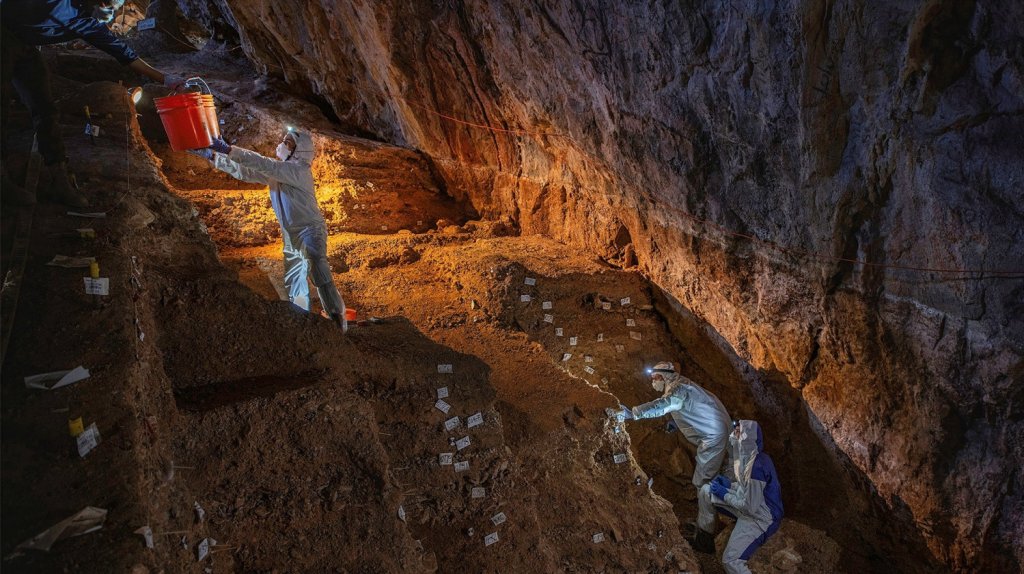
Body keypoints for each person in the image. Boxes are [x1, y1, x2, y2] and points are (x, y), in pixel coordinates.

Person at [1, 0, 184, 206]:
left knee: (45, 108)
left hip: (25, 44)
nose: (110, 13)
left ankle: (60, 179)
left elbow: (122, 52)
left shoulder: (88, 23)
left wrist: (166, 79)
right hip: (4, 33)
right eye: (107, 5)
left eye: (114, 7)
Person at [193, 129, 348, 331]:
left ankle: (337, 317)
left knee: (319, 270)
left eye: (288, 143)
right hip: (291, 233)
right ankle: (301, 321)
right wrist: (214, 156)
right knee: (294, 277)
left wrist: (228, 149)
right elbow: (246, 171)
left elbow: (263, 164)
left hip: (310, 230)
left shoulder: (297, 170)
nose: (282, 145)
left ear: (299, 151)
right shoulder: (280, 172)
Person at [618, 361, 731, 493]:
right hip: (718, 426)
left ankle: (712, 511)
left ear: (663, 376)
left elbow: (663, 405)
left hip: (713, 436)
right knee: (725, 469)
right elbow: (685, 406)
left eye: (654, 379)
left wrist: (632, 413)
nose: (653, 383)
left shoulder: (677, 389)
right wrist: (676, 422)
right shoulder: (682, 383)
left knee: (702, 482)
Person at [694, 419, 783, 574]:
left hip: (760, 518)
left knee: (730, 561)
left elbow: (749, 507)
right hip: (749, 505)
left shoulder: (757, 467)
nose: (734, 433)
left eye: (738, 431)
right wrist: (730, 486)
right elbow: (746, 490)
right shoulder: (746, 457)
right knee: (706, 491)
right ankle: (704, 541)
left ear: (747, 437)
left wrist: (725, 493)